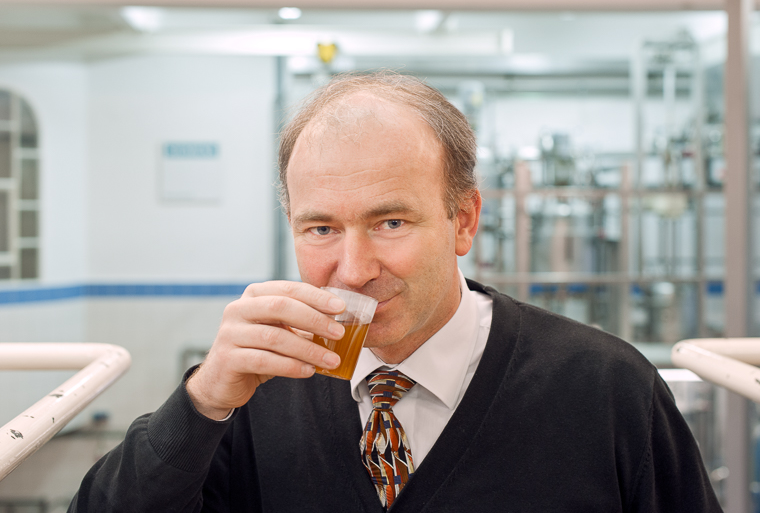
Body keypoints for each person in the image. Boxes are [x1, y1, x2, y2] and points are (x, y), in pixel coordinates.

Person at [69, 72, 722, 512]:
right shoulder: (257, 393)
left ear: (463, 220)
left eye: (391, 223)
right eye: (321, 228)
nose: (353, 270)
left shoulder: (604, 387)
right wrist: (202, 402)